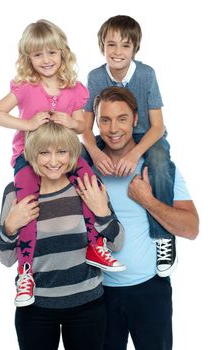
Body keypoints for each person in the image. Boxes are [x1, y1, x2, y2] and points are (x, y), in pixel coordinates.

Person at [0, 19, 125, 307]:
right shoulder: (26, 87)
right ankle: (26, 271)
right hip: (28, 157)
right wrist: (26, 123)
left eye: (51, 52)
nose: (46, 60)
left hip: (67, 157)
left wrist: (72, 123)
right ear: (28, 58)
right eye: (38, 54)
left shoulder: (74, 89)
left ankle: (95, 246)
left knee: (91, 184)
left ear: (63, 52)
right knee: (27, 205)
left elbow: (80, 126)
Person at [87, 86, 199, 350]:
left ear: (136, 119)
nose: (114, 128)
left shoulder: (158, 168)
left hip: (150, 290)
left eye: (122, 118)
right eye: (105, 119)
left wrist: (147, 200)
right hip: (96, 292)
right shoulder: (85, 168)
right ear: (96, 122)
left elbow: (191, 229)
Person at [0, 121, 124, 350]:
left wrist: (102, 212)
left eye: (62, 151)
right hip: (35, 309)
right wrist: (10, 227)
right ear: (31, 154)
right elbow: (6, 259)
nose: (53, 162)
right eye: (44, 152)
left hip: (88, 305)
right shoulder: (15, 193)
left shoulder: (88, 185)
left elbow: (117, 243)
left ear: (72, 153)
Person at [82, 15, 177, 277]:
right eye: (111, 44)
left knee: (158, 162)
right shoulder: (95, 76)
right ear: (102, 46)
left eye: (125, 45)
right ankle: (91, 238)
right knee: (76, 157)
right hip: (107, 135)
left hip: (146, 136)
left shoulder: (146, 75)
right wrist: (96, 152)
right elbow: (85, 127)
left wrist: (136, 153)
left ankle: (163, 236)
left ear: (135, 48)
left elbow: (157, 126)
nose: (117, 52)